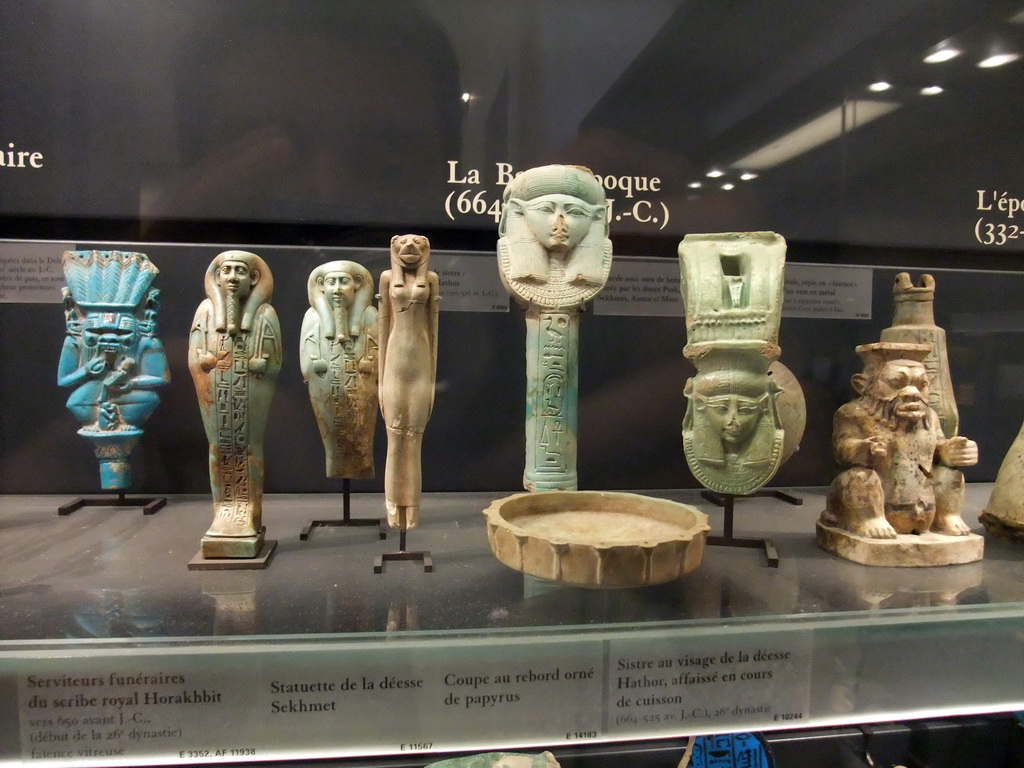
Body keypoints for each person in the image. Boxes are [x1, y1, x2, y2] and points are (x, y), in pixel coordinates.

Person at [188, 250, 281, 557]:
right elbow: (194, 355)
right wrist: (202, 360)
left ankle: (248, 512)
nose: (232, 278)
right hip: (218, 388)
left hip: (248, 388)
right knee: (218, 445)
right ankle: (224, 509)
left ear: (253, 279)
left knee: (249, 445)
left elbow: (274, 357)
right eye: (226, 271)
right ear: (216, 278)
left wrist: (262, 364)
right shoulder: (205, 311)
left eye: (240, 272)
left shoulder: (264, 314)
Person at [378, 235, 438, 530]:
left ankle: (412, 509)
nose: (410, 248)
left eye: (417, 244)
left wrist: (432, 383)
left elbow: (435, 333)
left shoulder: (432, 280)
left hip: (421, 368)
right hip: (393, 366)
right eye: (404, 244)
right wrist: (379, 385)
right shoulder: (388, 278)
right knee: (394, 441)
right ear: (394, 247)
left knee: (413, 442)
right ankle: (392, 509)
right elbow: (382, 326)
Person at [300, 260, 378, 479]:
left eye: (343, 282)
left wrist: (370, 362)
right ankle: (336, 463)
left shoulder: (369, 315)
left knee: (359, 434)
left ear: (357, 285)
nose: (337, 289)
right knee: (336, 437)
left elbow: (376, 348)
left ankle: (361, 463)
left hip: (359, 384)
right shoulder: (313, 316)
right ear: (321, 286)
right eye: (331, 282)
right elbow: (306, 354)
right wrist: (313, 364)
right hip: (328, 385)